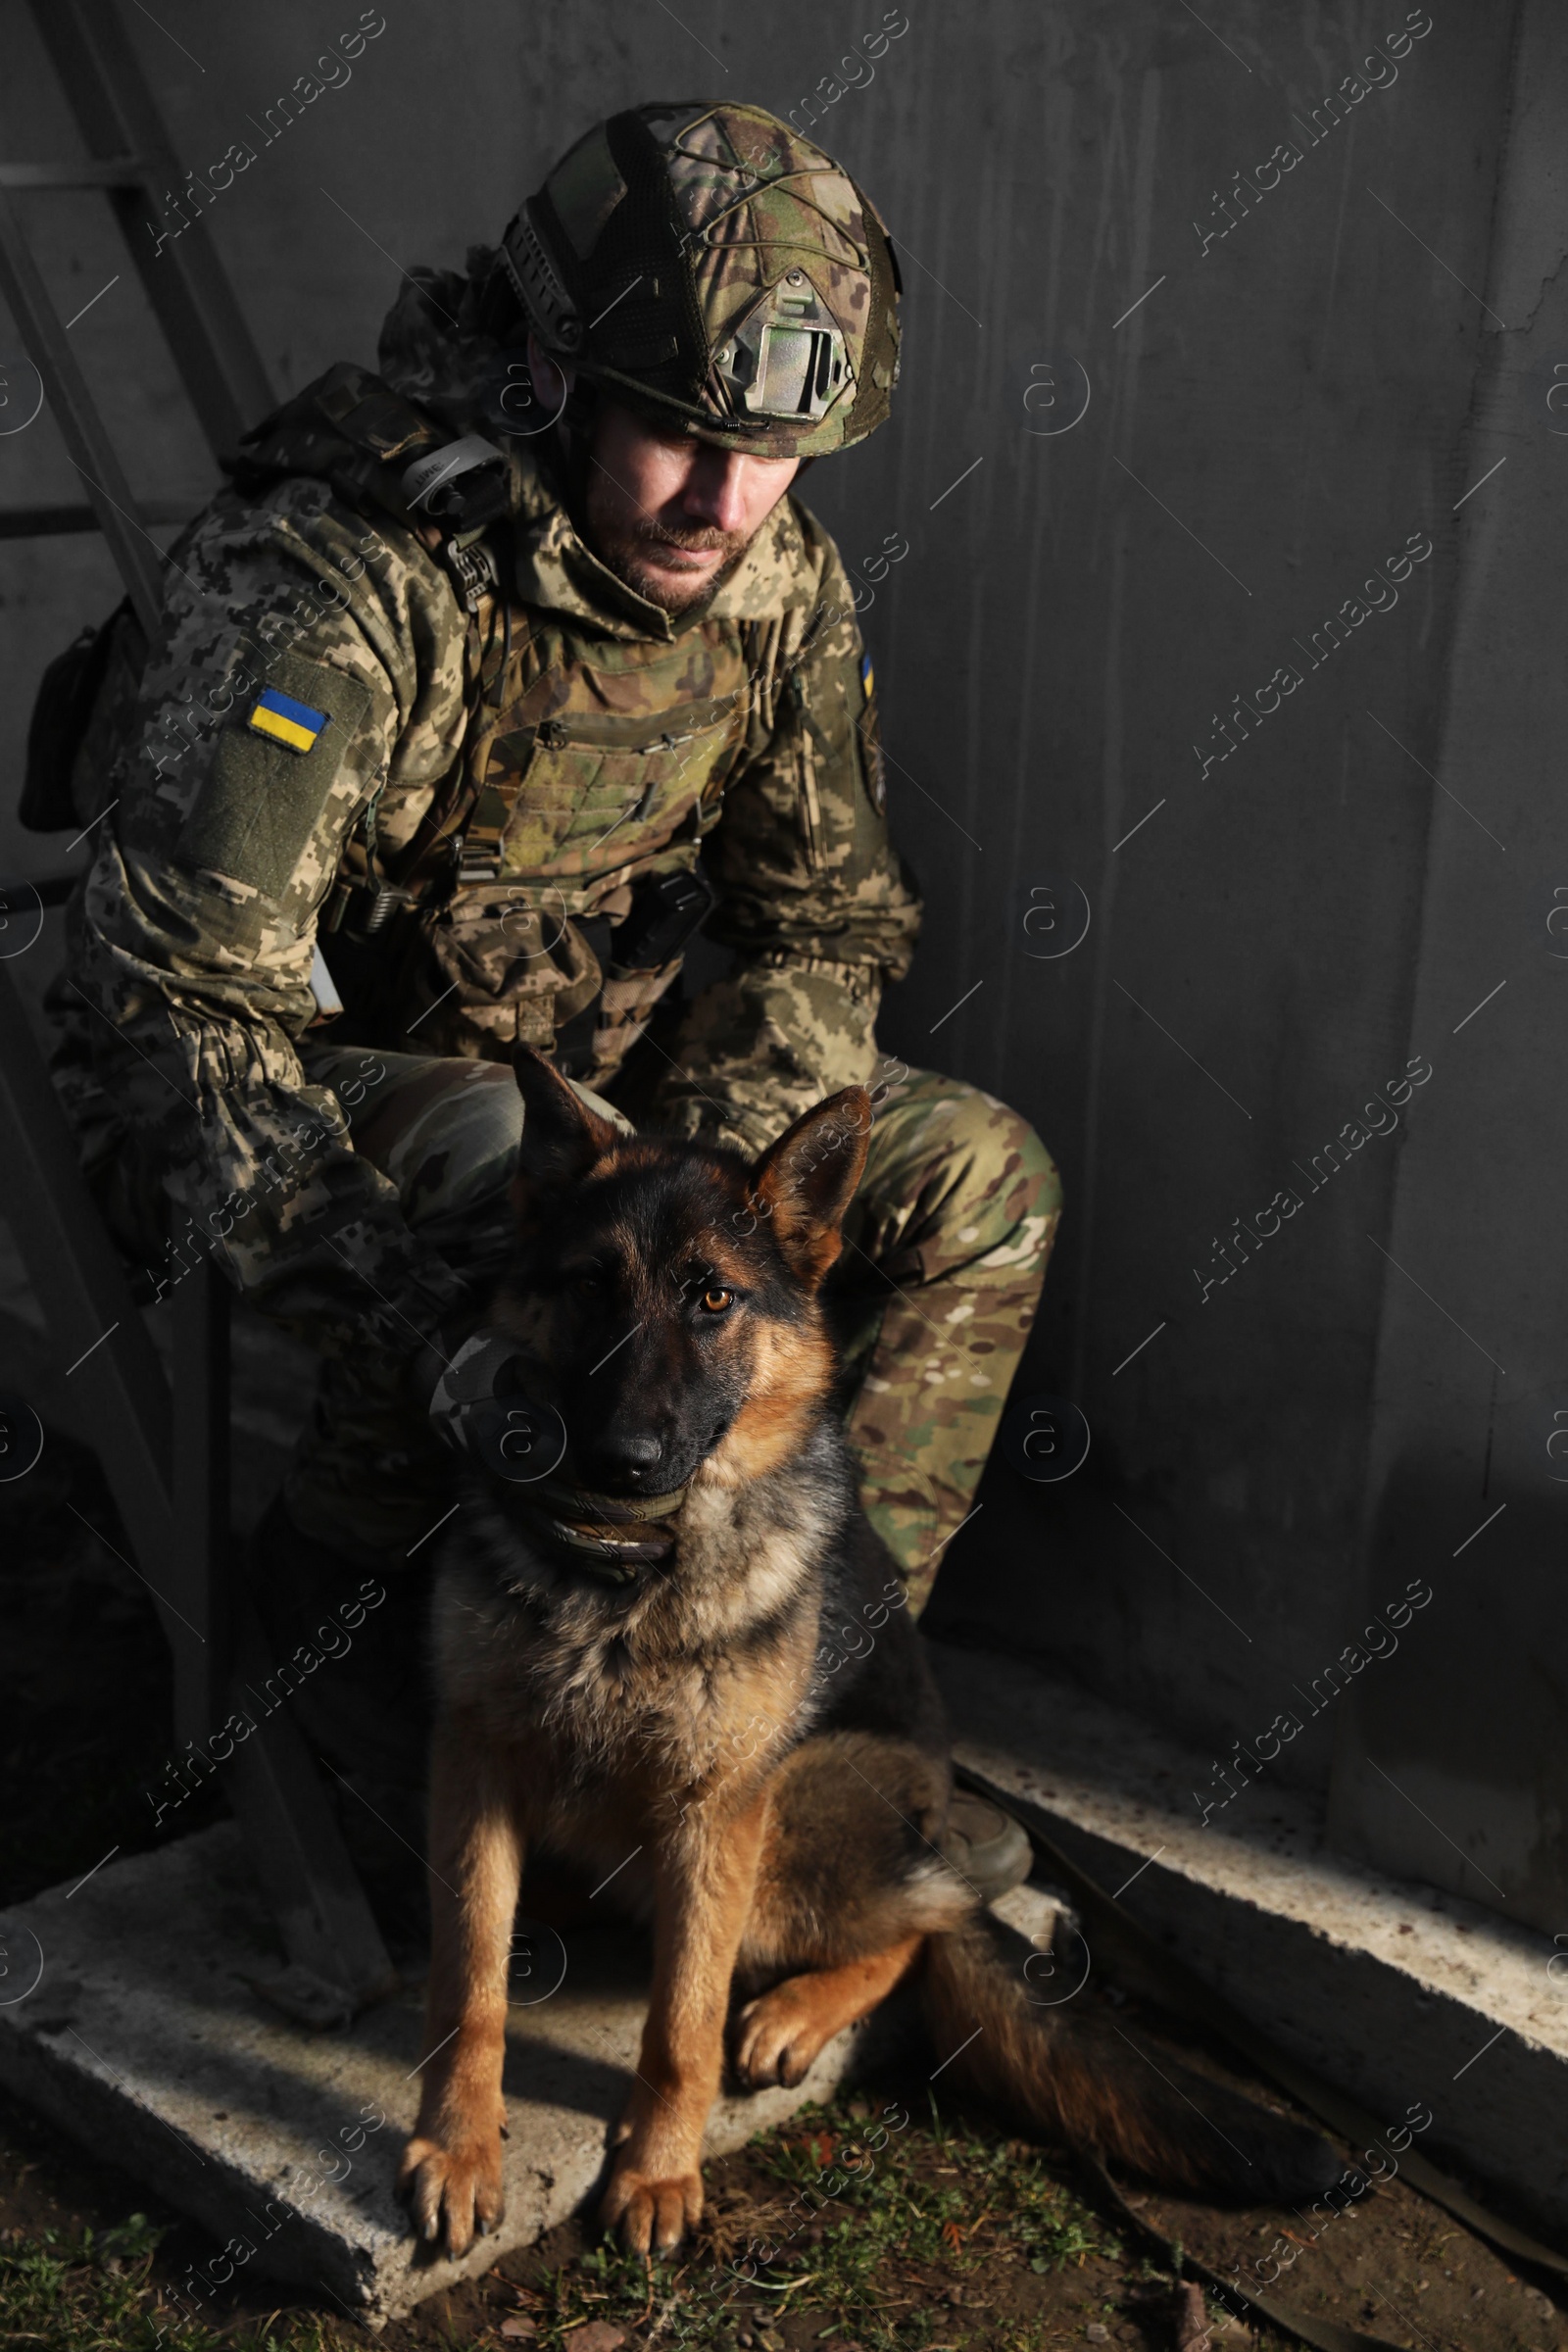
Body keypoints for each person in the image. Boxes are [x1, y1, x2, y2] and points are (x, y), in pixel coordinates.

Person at [48, 102, 1059, 1903]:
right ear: (546, 371)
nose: (724, 503)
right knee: (469, 1146)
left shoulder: (773, 586)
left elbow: (825, 923)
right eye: (681, 433)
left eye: (777, 455)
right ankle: (344, 1646)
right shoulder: (340, 585)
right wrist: (415, 1306)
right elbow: (172, 1003)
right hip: (305, 1116)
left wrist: (722, 1203)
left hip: (614, 1103)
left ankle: (798, 1682)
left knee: (981, 1179)